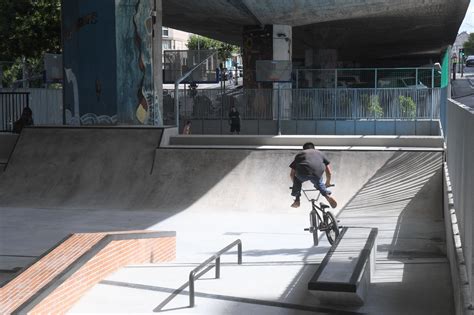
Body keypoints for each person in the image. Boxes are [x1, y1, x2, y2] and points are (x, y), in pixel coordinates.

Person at [289, 142, 337, 208]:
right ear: (314, 148)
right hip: (316, 174)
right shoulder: (320, 154)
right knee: (319, 182)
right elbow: (329, 172)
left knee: (297, 180)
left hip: (302, 174)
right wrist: (328, 182)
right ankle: (327, 195)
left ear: (304, 149)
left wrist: (295, 185)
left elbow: (292, 174)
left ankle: (297, 200)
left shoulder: (300, 154)